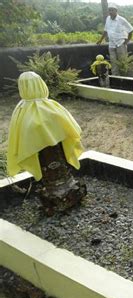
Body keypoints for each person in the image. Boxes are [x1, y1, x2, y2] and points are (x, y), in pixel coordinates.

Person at [7, 72, 86, 214]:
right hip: (49, 158)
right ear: (41, 85)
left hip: (52, 156)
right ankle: (58, 193)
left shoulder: (21, 110)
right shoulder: (50, 107)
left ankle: (61, 191)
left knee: (56, 172)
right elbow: (70, 129)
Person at [96, 4, 133, 76]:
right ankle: (115, 77)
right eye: (109, 10)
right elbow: (106, 31)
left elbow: (131, 30)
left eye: (112, 10)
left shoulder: (121, 20)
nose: (110, 12)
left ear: (116, 11)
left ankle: (125, 77)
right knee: (113, 62)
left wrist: (127, 41)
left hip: (120, 43)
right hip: (111, 44)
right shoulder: (108, 19)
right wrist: (100, 40)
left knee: (123, 62)